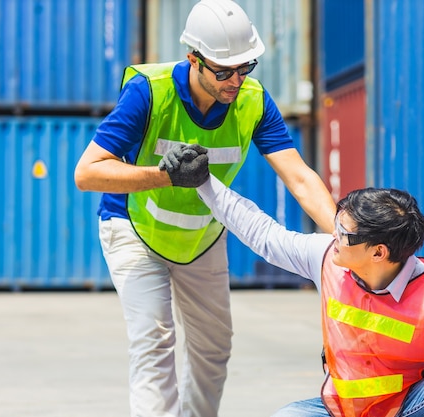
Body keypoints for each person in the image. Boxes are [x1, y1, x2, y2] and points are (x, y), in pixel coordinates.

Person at [73, 0, 336, 416]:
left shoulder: (253, 100)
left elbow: (299, 177)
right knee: (154, 341)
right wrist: (165, 175)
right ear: (194, 59)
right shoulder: (148, 91)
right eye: (224, 70)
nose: (236, 80)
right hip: (134, 227)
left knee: (214, 348)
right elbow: (87, 173)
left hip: (202, 236)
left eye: (246, 66)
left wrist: (343, 236)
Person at [166, 147, 424, 417]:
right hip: (342, 410)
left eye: (345, 233)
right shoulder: (329, 257)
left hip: (408, 408)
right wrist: (204, 183)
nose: (334, 235)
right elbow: (264, 235)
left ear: (378, 252)